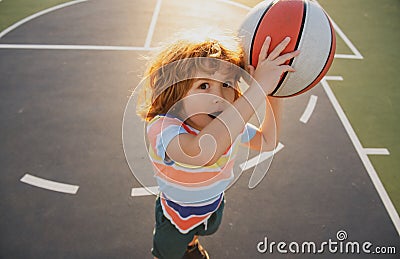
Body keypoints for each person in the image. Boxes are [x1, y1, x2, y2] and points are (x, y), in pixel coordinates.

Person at [136, 31, 299, 259]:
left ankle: (192, 243)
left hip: (212, 204)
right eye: (203, 85)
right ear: (175, 95)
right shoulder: (163, 128)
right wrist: (258, 89)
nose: (219, 96)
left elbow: (267, 141)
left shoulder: (229, 126)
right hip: (176, 214)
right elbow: (201, 152)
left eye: (226, 84)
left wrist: (275, 93)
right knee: (168, 251)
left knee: (205, 228)